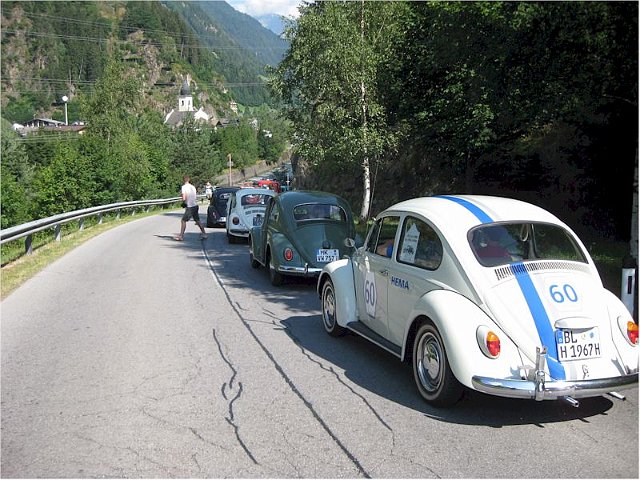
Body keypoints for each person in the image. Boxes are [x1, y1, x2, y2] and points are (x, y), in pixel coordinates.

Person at [176, 175, 208, 241]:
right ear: (189, 180)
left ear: (183, 180)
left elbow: (184, 196)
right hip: (195, 205)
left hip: (190, 206)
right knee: (198, 221)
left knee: (183, 221)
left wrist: (184, 202)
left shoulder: (184, 187)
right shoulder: (193, 187)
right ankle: (204, 234)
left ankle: (181, 236)